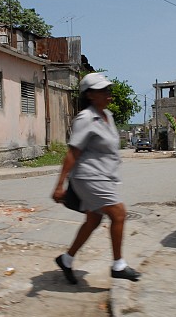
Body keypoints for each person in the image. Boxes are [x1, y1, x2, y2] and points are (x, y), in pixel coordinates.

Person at [52, 72, 141, 284]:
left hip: (104, 176)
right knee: (119, 214)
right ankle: (118, 265)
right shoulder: (85, 118)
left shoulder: (107, 116)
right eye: (104, 91)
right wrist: (59, 185)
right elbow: (73, 152)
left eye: (108, 90)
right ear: (90, 95)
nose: (109, 94)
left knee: (94, 219)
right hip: (89, 177)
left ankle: (66, 259)